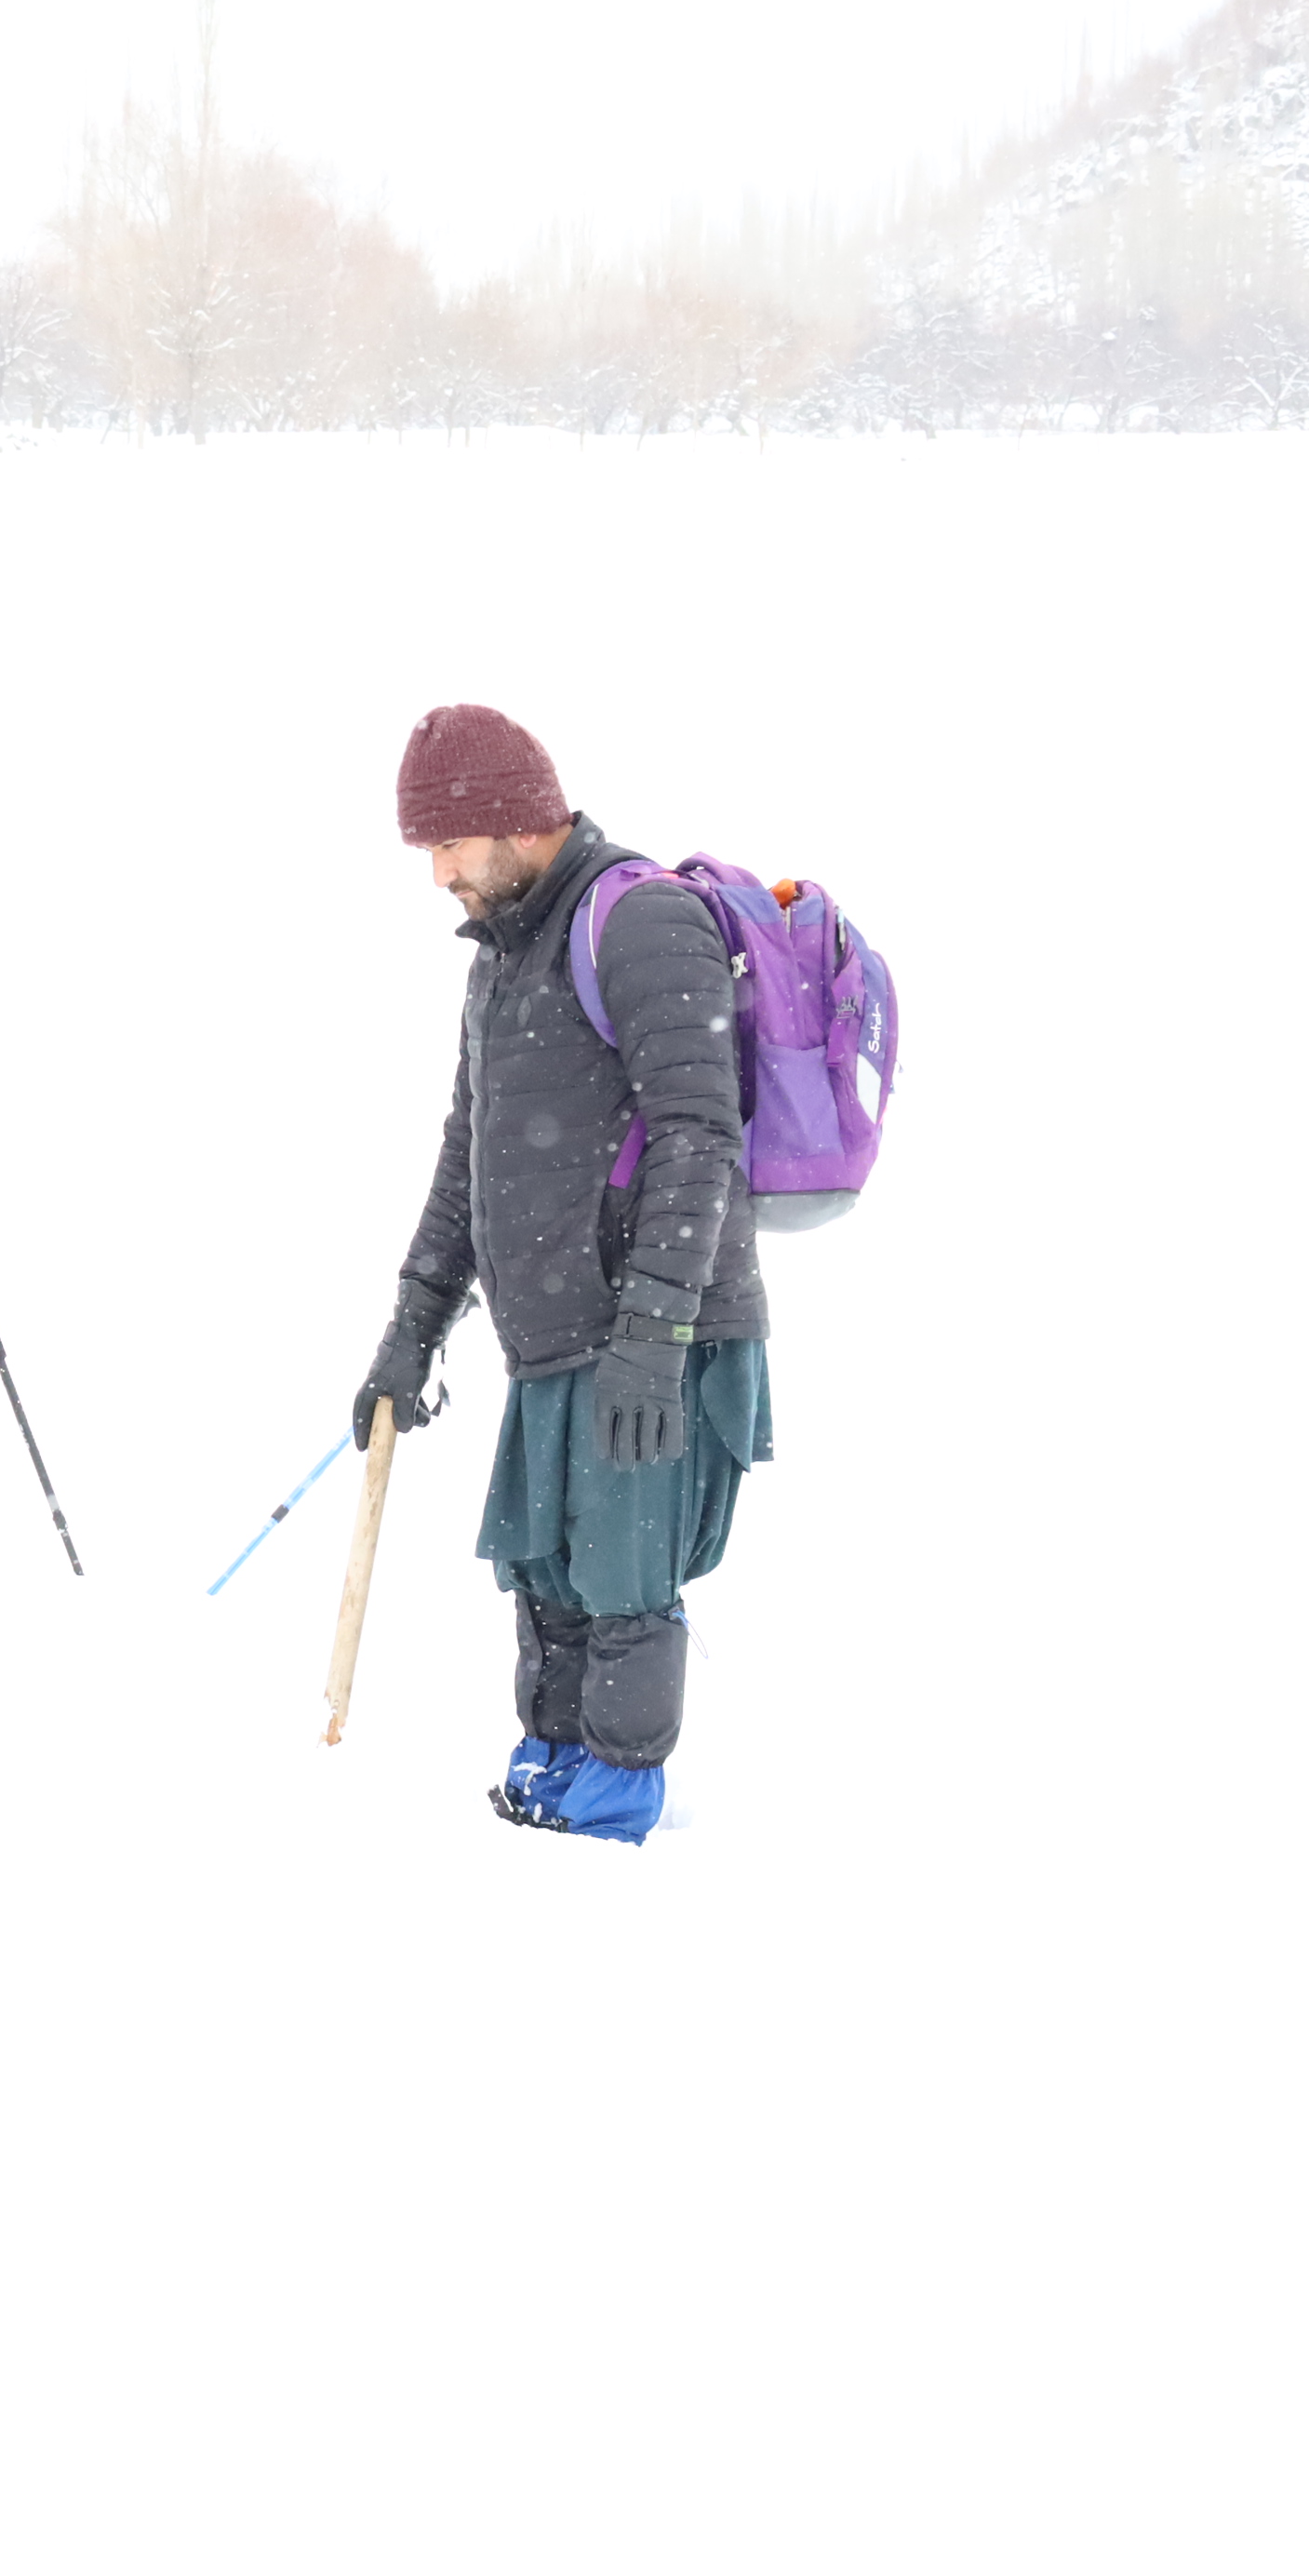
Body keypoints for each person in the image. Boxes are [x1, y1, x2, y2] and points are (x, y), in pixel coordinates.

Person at [353, 705, 771, 1846]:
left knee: (623, 1579)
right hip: (550, 1332)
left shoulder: (640, 922)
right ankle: (550, 1765)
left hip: (650, 1326)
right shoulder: (499, 957)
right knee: (546, 1566)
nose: (434, 872)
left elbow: (699, 1132)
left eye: (444, 843)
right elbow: (465, 1157)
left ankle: (611, 1805)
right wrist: (412, 1327)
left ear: (507, 817)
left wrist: (653, 1333)